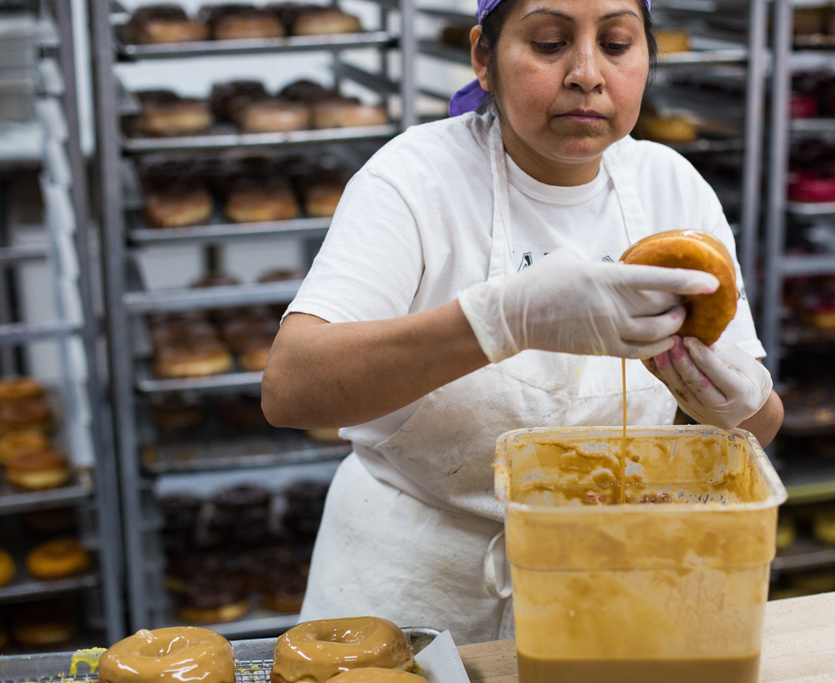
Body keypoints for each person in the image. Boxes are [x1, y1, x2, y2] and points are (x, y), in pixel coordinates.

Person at [262, 0, 783, 645]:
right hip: (411, 596)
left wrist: (739, 405)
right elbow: (289, 388)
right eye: (548, 42)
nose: (587, 73)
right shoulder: (414, 179)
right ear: (484, 56)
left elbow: (761, 427)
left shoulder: (672, 189)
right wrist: (504, 317)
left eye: (617, 44)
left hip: (607, 581)